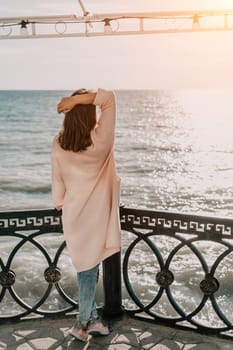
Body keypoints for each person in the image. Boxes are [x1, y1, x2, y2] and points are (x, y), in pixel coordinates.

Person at [51, 88, 121, 342]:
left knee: (86, 267)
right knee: (89, 269)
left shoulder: (59, 143)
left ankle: (93, 320)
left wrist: (61, 203)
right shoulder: (100, 140)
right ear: (91, 114)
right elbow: (109, 98)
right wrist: (77, 100)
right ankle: (81, 324)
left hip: (72, 213)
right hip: (96, 214)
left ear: (69, 115)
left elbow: (58, 186)